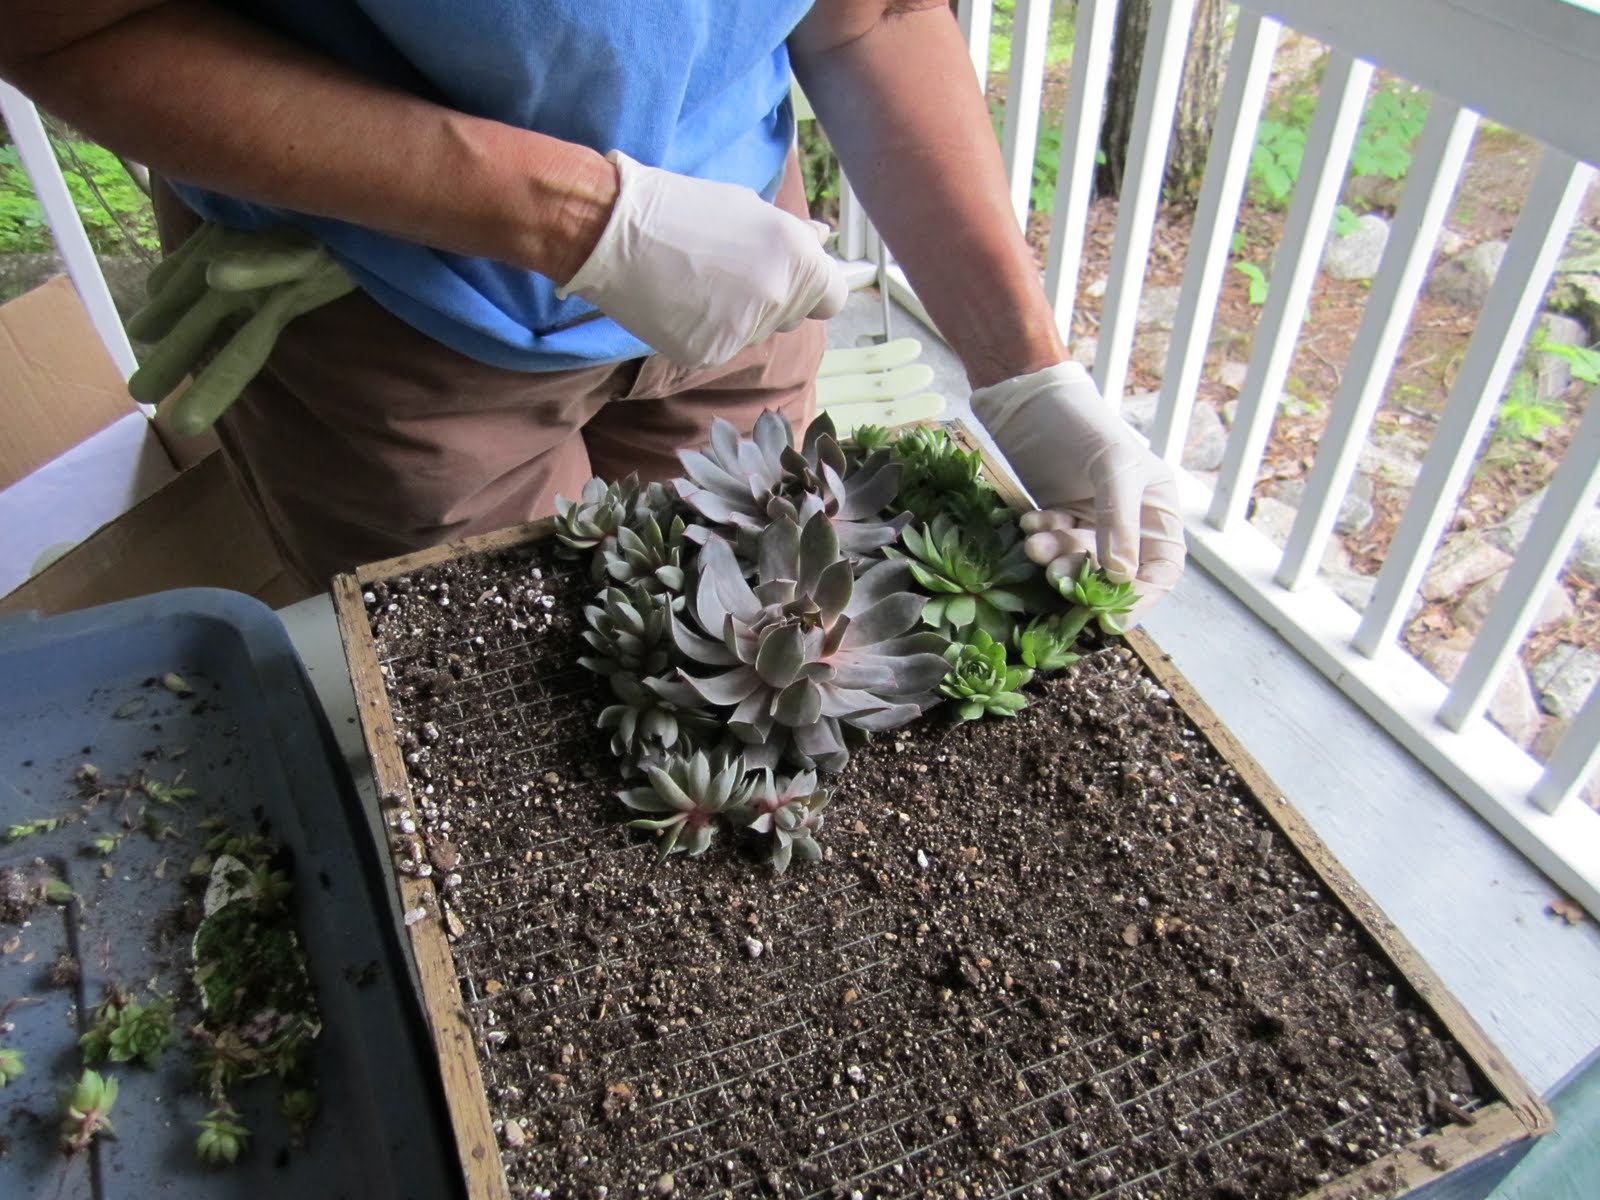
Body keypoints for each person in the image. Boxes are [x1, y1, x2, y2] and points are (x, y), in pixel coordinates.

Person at [0, 1, 1184, 610]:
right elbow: (73, 22)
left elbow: (871, 15)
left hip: (749, 253)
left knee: (748, 578)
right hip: (388, 297)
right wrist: (585, 222)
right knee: (496, 681)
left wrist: (1028, 372)